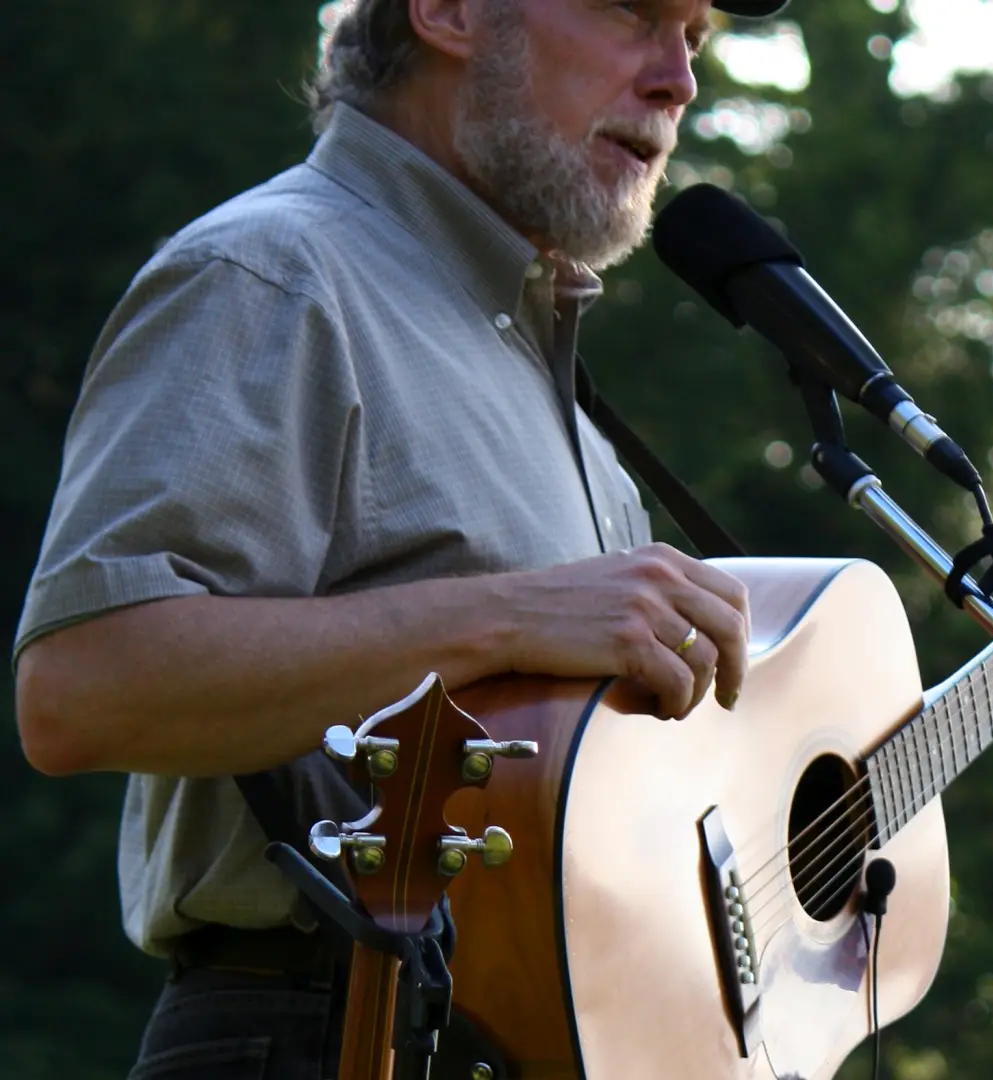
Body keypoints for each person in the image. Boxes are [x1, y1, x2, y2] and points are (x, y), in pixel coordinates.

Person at [12, 0, 787, 1075]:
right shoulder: (272, 274)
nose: (678, 81)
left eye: (694, 37)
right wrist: (508, 617)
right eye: (634, 13)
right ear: (451, 12)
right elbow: (81, 689)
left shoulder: (531, 357)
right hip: (320, 1032)